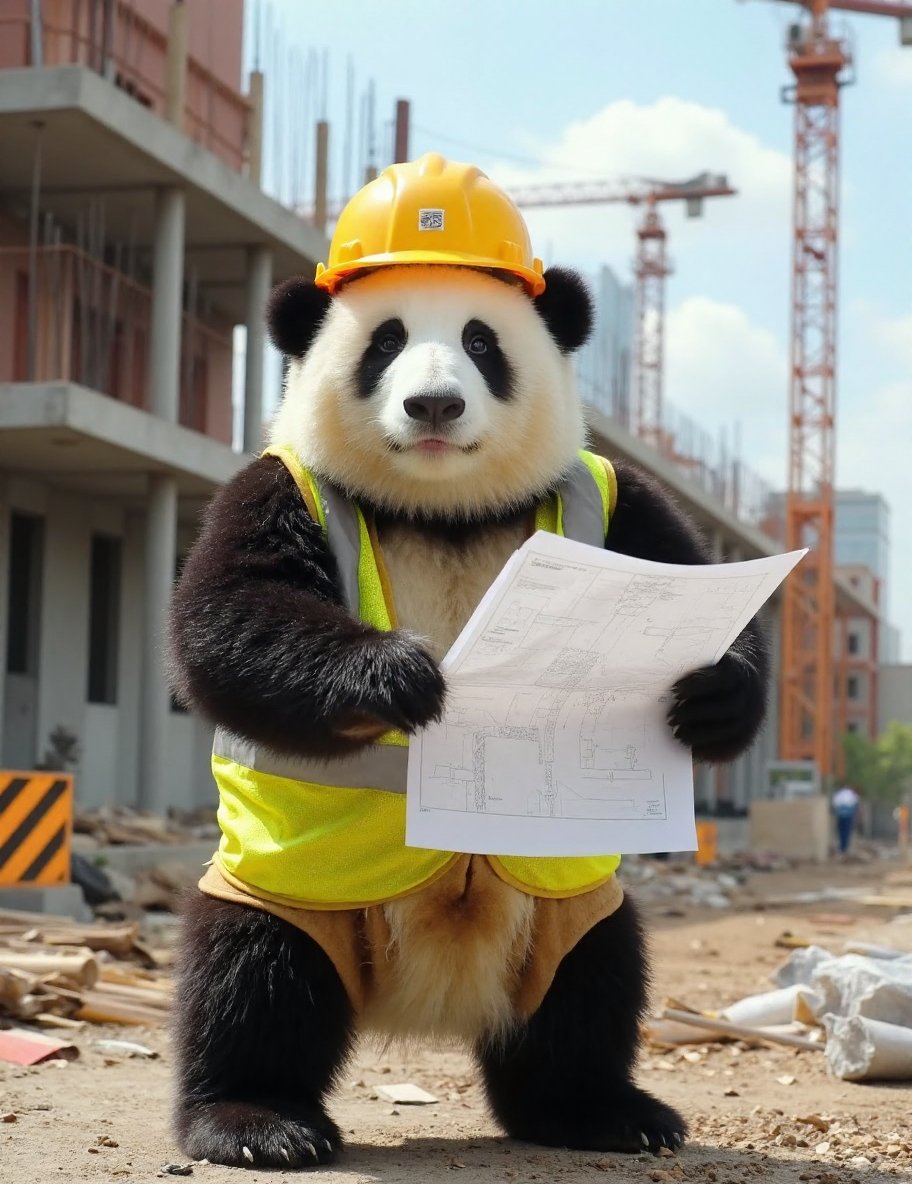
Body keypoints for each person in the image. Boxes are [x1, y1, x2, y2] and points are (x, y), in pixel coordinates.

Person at [832, 783, 861, 855]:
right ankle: (844, 848)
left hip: (840, 815)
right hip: (848, 816)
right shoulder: (852, 795)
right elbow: (856, 806)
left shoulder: (839, 794)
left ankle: (842, 848)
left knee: (841, 832)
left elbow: (835, 804)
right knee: (846, 832)